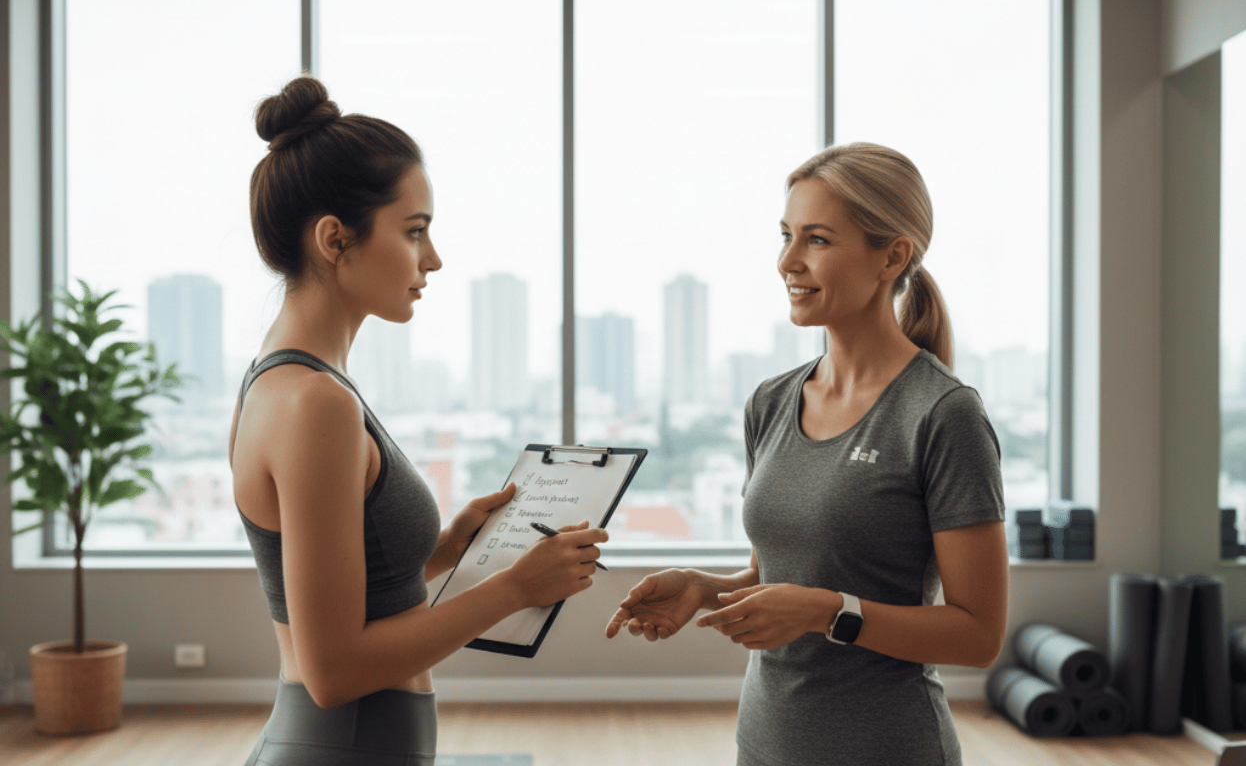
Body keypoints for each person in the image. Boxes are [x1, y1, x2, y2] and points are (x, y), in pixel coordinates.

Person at [230, 76, 608, 766]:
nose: (432, 259)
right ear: (334, 239)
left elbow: (347, 595)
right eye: (414, 232)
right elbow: (335, 670)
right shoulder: (316, 404)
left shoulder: (287, 383)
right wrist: (517, 587)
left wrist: (449, 550)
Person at [605, 142, 1008, 766]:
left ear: (892, 256)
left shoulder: (943, 413)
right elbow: (782, 577)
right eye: (786, 235)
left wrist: (828, 612)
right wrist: (705, 589)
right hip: (766, 743)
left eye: (817, 240)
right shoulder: (770, 402)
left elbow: (978, 634)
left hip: (888, 749)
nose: (787, 261)